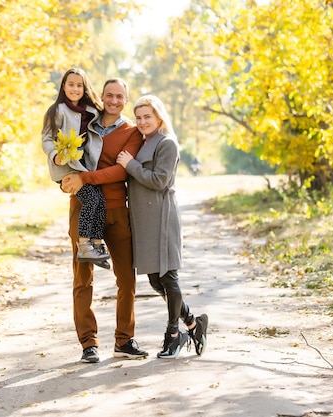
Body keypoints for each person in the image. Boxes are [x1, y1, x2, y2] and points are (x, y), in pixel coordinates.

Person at [61, 78, 148, 363]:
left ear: (126, 99)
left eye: (119, 96)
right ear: (101, 96)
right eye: (109, 95)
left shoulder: (132, 133)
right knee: (83, 278)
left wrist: (84, 177)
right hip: (82, 207)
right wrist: (64, 179)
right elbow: (63, 154)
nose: (113, 100)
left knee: (126, 278)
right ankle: (88, 343)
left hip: (116, 211)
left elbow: (120, 173)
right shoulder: (84, 124)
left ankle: (124, 340)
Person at [116, 94, 208, 359]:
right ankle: (194, 323)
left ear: (159, 117)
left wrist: (129, 164)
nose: (143, 121)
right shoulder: (140, 142)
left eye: (148, 116)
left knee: (168, 277)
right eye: (139, 117)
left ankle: (173, 334)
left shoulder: (167, 143)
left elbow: (158, 181)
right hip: (142, 220)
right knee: (155, 280)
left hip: (161, 217)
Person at [42, 67, 110, 267]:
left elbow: (106, 114)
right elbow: (46, 139)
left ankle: (96, 243)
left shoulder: (90, 111)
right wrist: (55, 156)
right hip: (64, 166)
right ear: (63, 86)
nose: (75, 89)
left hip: (81, 165)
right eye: (71, 85)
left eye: (79, 85)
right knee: (90, 199)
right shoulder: (57, 110)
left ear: (84, 88)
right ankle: (83, 244)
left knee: (99, 198)